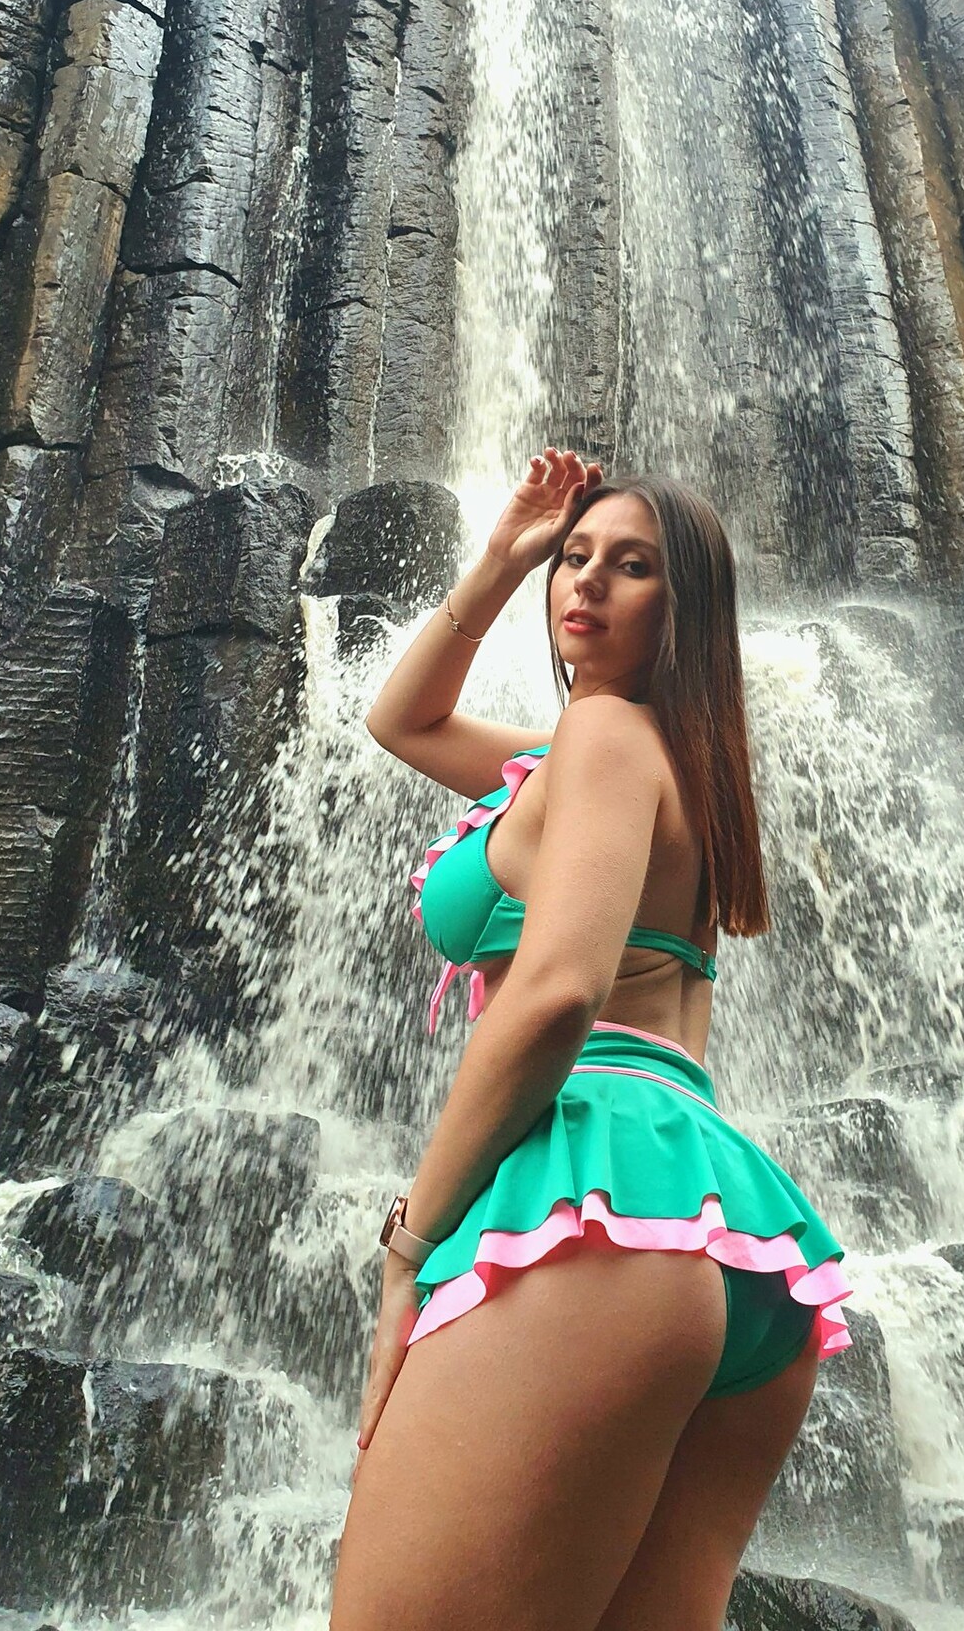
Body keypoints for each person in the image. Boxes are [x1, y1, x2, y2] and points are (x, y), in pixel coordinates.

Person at [330, 446, 853, 1631]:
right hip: (727, 1234)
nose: (588, 582)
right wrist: (505, 554)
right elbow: (400, 719)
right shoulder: (648, 759)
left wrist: (411, 1245)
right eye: (576, 559)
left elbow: (558, 994)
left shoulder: (606, 736)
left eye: (633, 566)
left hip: (591, 1196)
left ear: (687, 609)